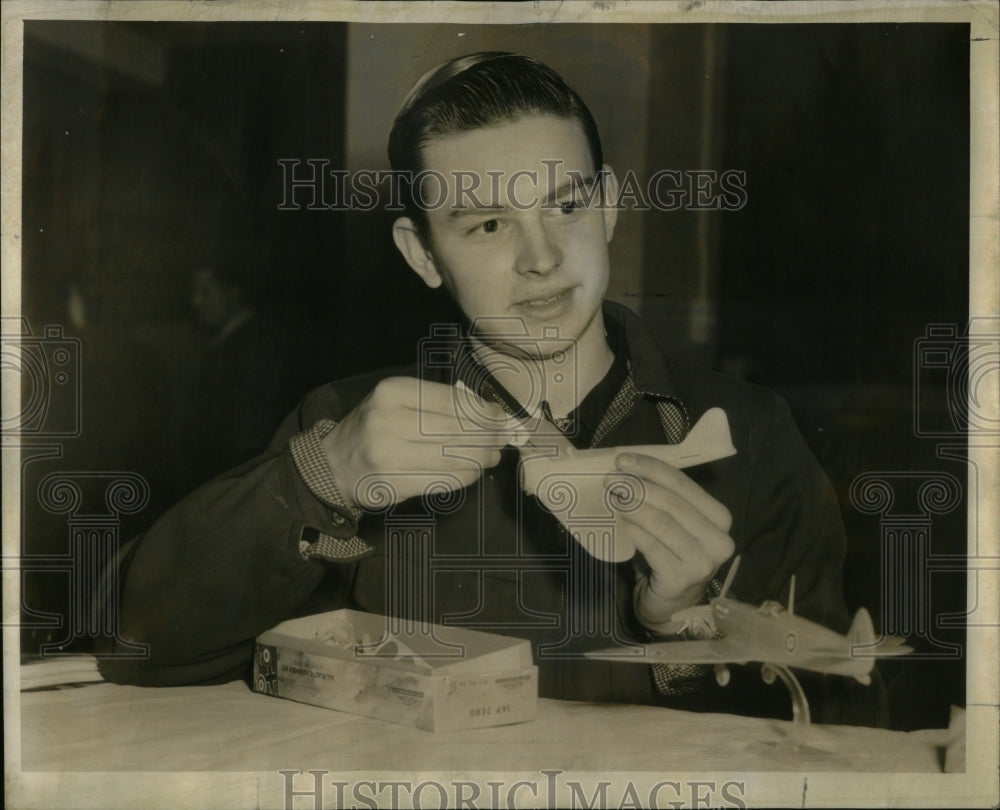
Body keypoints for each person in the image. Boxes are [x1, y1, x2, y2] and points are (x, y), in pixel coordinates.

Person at [98, 52, 884, 725]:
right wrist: (320, 478)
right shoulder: (345, 422)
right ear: (422, 254)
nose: (541, 258)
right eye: (486, 225)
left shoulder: (753, 433)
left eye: (565, 208)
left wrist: (686, 626)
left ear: (607, 208)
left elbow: (845, 723)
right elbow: (132, 643)